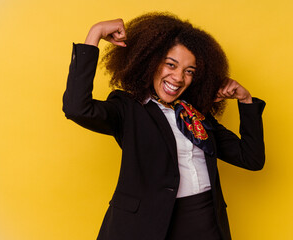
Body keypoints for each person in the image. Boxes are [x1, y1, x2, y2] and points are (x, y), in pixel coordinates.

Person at [63, 12, 266, 240]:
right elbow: (76, 108)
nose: (178, 77)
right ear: (151, 62)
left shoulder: (197, 115)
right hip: (148, 225)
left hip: (205, 220)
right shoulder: (129, 109)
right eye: (171, 64)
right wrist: (95, 33)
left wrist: (246, 101)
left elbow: (251, 159)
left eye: (189, 71)